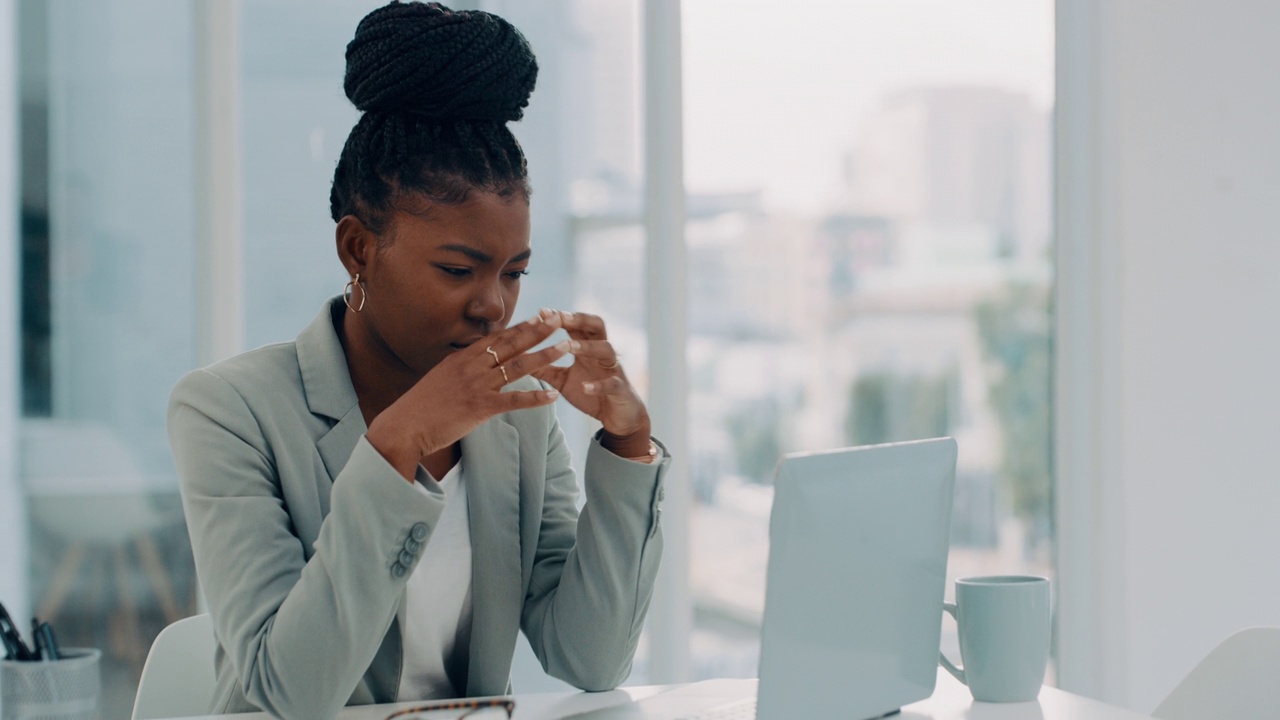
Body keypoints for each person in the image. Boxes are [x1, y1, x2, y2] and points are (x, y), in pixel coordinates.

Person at [166, 2, 667, 716]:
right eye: (458, 271)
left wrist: (627, 442)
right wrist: (400, 444)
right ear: (358, 250)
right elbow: (290, 694)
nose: (493, 305)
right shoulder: (229, 411)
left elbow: (591, 656)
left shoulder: (517, 419)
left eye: (513, 271)